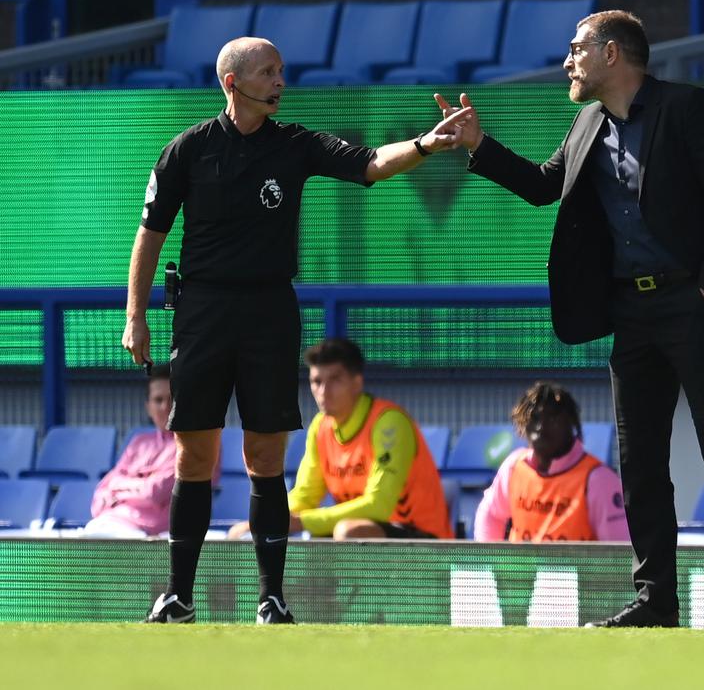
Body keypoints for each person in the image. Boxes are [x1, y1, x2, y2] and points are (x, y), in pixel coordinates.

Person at [121, 37, 469, 625]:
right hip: (202, 312)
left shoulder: (296, 145)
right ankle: (179, 595)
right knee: (195, 455)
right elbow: (150, 233)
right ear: (232, 83)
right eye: (268, 72)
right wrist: (136, 315)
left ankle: (271, 598)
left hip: (268, 313)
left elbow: (371, 164)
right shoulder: (187, 150)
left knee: (264, 454)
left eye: (281, 71)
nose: (280, 81)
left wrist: (425, 145)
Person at [438, 10, 704, 629]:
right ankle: (655, 601)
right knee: (640, 461)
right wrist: (479, 146)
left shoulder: (687, 106)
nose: (568, 61)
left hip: (694, 305)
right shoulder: (588, 119)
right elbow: (543, 186)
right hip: (631, 311)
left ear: (612, 54)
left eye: (575, 50)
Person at [227, 338, 453, 542]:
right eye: (316, 381)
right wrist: (265, 519)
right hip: (365, 530)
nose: (324, 391)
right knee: (276, 532)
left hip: (424, 538)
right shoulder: (320, 426)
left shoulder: (390, 423)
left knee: (346, 531)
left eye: (335, 380)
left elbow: (379, 506)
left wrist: (303, 521)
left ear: (357, 383)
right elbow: (304, 495)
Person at [474, 381, 629, 542]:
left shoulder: (599, 480)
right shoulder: (514, 467)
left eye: (552, 417)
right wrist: (491, 563)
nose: (541, 426)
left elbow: (619, 555)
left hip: (577, 567)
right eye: (534, 417)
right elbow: (490, 514)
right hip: (522, 568)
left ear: (571, 423)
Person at [83, 365, 180, 538]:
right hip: (109, 522)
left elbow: (154, 493)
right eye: (158, 400)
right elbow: (103, 489)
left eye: (171, 399)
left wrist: (119, 490)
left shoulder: (191, 445)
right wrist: (140, 487)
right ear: (148, 407)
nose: (165, 407)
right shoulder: (139, 442)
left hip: (153, 534)